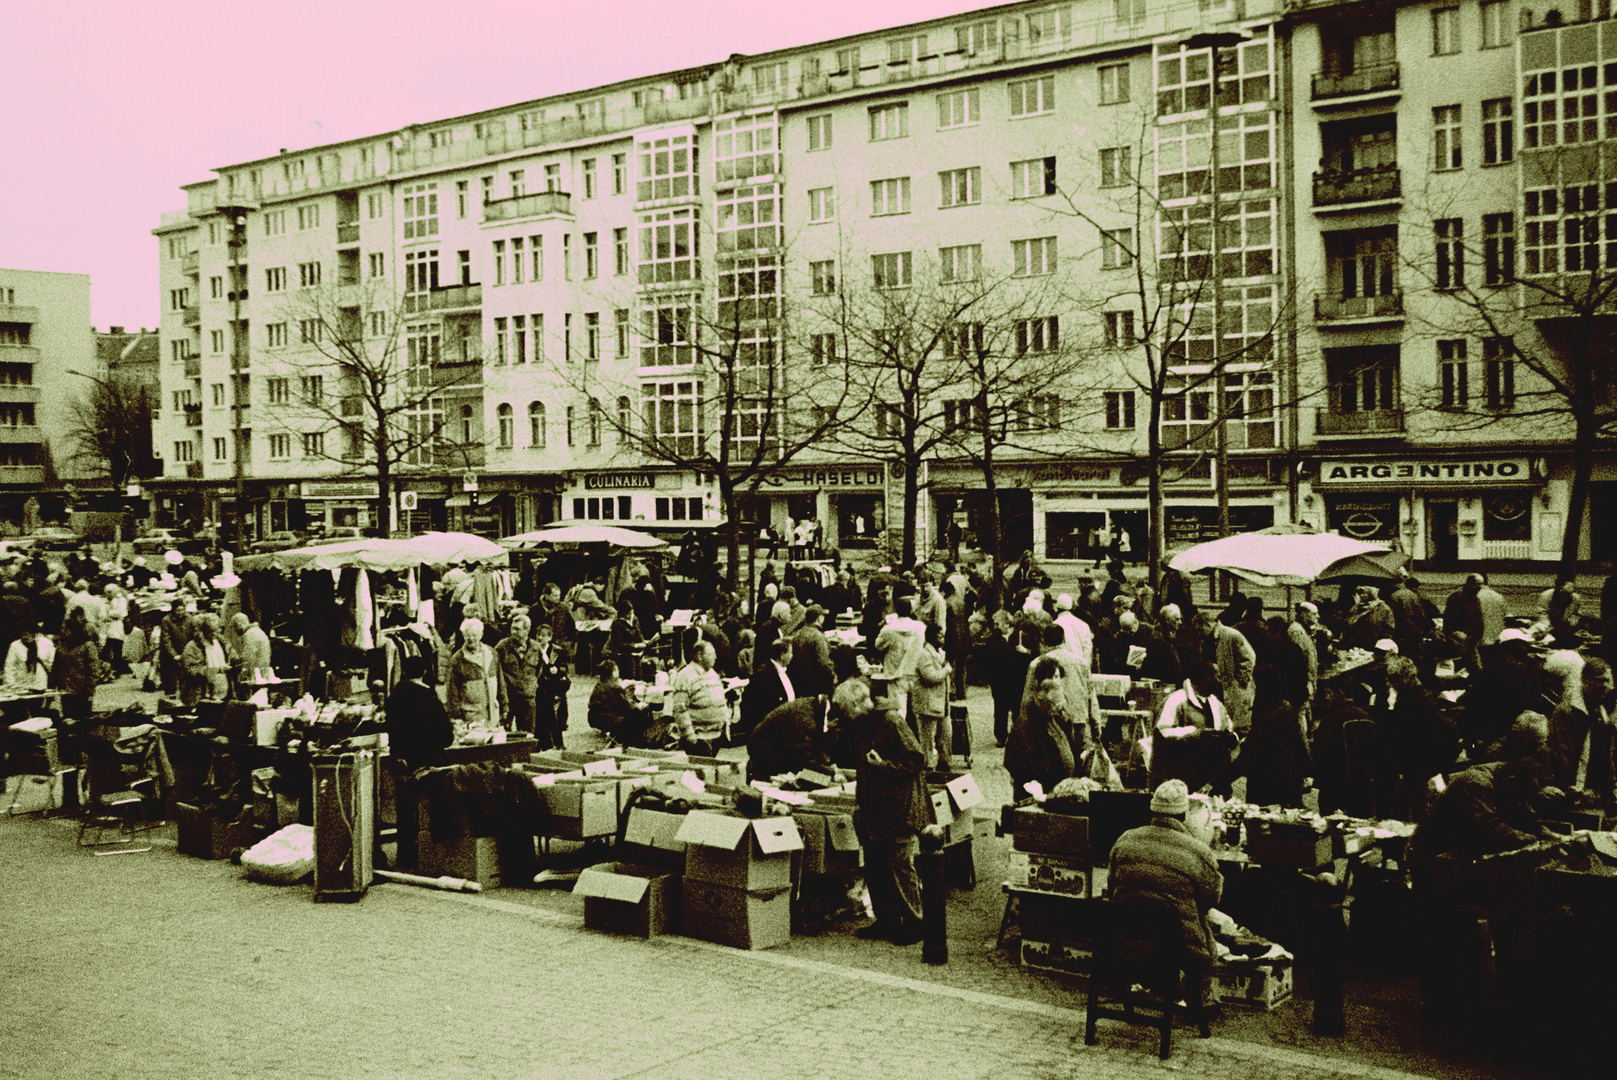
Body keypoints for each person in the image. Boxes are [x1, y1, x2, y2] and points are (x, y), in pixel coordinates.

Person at [1108, 779, 1224, 1015]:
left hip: (1126, 940)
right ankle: (1200, 1002)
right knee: (1203, 927)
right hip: (1179, 947)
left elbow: (1112, 887)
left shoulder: (1125, 840)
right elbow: (1212, 899)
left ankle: (1148, 986)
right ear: (1183, 815)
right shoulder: (1197, 850)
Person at [1406, 712, 1560, 875]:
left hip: (1458, 853)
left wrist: (1547, 835)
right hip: (1432, 856)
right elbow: (1490, 826)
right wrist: (1532, 840)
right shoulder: (1476, 781)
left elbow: (1522, 810)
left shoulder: (1509, 780)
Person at [849, 678, 929, 946]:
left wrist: (884, 765)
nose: (847, 715)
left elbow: (917, 759)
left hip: (898, 806)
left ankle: (916, 922)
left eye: (849, 708)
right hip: (875, 807)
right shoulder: (863, 723)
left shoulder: (892, 721)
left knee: (899, 864)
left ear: (861, 703)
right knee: (876, 865)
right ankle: (887, 919)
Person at [383, 653, 455, 870]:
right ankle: (437, 850)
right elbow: (446, 736)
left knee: (405, 809)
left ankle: (405, 855)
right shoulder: (429, 697)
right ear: (424, 672)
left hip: (402, 760)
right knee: (436, 803)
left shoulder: (394, 695)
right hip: (427, 760)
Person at [1231, 665, 1311, 808]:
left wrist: (1217, 781)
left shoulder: (1265, 716)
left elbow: (1249, 755)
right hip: (1289, 783)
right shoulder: (1285, 707)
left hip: (1267, 787)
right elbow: (1298, 743)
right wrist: (1306, 773)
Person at [1547, 657, 1616, 809]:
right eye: (1599, 680)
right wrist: (1568, 786)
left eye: (1607, 681)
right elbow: (1560, 754)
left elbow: (1605, 755)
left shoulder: (1600, 712)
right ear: (1585, 680)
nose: (1604, 686)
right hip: (1570, 791)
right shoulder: (1566, 712)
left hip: (1591, 793)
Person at [1005, 656, 1078, 798]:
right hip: (1037, 795)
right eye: (1052, 677)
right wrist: (1042, 775)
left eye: (1058, 677)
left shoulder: (1054, 718)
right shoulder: (1026, 724)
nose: (1056, 683)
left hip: (1056, 792)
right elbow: (1014, 762)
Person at [746, 691, 838, 783]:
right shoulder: (805, 718)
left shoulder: (816, 710)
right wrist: (832, 772)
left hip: (779, 752)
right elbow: (802, 759)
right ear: (835, 721)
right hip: (767, 757)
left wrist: (828, 765)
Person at [1195, 610, 1256, 732]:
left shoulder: (1230, 634)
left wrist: (1240, 681)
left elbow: (1249, 657)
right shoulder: (1207, 639)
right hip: (1220, 687)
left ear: (1207, 624)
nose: (1199, 633)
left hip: (1235, 688)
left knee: (1239, 725)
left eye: (1200, 629)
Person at [873, 595, 926, 724]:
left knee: (899, 711)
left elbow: (878, 645)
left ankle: (900, 739)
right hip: (915, 670)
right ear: (911, 610)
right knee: (919, 711)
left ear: (896, 610)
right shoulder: (920, 627)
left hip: (895, 673)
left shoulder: (889, 628)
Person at [670, 640, 729, 754]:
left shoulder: (712, 673)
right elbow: (680, 709)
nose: (715, 657)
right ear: (699, 656)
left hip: (716, 735)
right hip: (698, 738)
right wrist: (689, 734)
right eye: (711, 654)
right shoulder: (685, 676)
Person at [587, 659, 662, 747]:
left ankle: (618, 737)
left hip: (594, 717)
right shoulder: (614, 686)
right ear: (613, 672)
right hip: (607, 718)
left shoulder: (600, 683)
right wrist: (640, 705)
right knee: (637, 713)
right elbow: (628, 706)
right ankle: (638, 740)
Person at [446, 617, 504, 730]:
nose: (471, 639)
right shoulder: (457, 659)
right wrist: (456, 715)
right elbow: (452, 690)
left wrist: (504, 706)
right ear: (463, 636)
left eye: (474, 635)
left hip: (492, 712)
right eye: (467, 635)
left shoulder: (492, 653)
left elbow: (500, 681)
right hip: (471, 714)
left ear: (481, 634)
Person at [737, 638, 796, 741]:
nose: (792, 656)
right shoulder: (763, 675)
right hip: (770, 733)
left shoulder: (786, 672)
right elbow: (753, 707)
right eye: (790, 653)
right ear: (782, 655)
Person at [913, 623, 952, 770]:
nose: (942, 639)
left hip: (942, 703)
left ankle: (944, 761)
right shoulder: (924, 654)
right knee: (928, 738)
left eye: (943, 636)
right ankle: (928, 765)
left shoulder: (940, 653)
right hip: (928, 703)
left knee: (946, 734)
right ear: (930, 637)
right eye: (939, 636)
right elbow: (931, 676)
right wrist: (946, 670)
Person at [495, 613, 541, 738]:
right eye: (512, 628)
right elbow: (495, 671)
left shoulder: (536, 648)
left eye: (517, 629)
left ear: (527, 630)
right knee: (504, 734)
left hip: (528, 698)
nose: (513, 631)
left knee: (528, 735)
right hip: (509, 698)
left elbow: (540, 671)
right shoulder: (502, 646)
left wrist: (533, 687)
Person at [532, 624, 570, 750]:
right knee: (541, 718)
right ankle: (544, 744)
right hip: (541, 687)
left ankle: (558, 743)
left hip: (555, 688)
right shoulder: (534, 650)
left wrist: (557, 669)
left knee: (555, 719)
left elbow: (565, 668)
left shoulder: (557, 651)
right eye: (538, 635)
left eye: (543, 636)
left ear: (550, 637)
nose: (540, 638)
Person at [180, 614, 229, 706]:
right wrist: (213, 670)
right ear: (203, 631)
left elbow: (229, 655)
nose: (215, 634)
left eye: (217, 630)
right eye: (211, 631)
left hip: (222, 693)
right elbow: (190, 671)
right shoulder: (193, 647)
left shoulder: (220, 642)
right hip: (200, 695)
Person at [788, 606, 836, 700]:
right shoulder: (818, 636)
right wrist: (833, 676)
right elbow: (824, 662)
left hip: (800, 682)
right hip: (816, 684)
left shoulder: (797, 634)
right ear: (819, 618)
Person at [4, 623, 55, 692]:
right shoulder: (15, 646)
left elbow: (52, 664)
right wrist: (10, 684)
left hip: (41, 684)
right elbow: (9, 667)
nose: (25, 636)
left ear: (35, 634)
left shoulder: (46, 644)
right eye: (23, 633)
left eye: (28, 634)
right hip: (21, 686)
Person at [232, 611, 274, 687]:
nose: (235, 631)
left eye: (235, 627)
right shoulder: (259, 631)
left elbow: (248, 658)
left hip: (256, 676)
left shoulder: (249, 634)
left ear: (239, 624)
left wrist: (237, 661)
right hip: (264, 672)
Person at [159, 600, 191, 696]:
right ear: (173, 610)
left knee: (186, 681)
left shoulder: (189, 618)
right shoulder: (166, 620)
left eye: (182, 610)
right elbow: (166, 640)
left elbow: (193, 635)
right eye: (178, 610)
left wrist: (188, 652)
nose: (181, 613)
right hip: (169, 656)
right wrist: (174, 655)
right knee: (170, 682)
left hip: (185, 652)